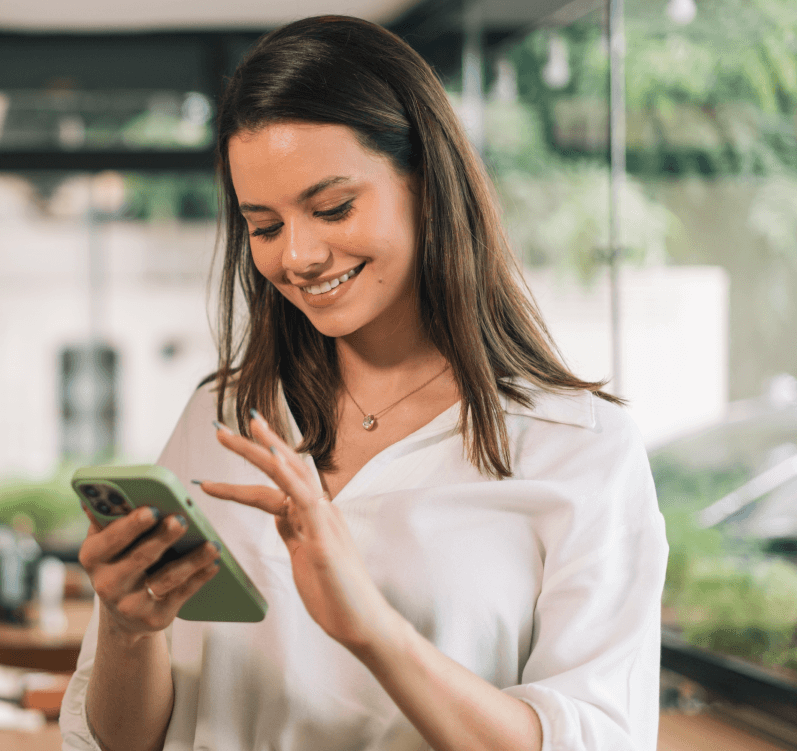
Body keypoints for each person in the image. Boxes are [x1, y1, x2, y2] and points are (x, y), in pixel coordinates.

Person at [60, 15, 668, 751]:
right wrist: (128, 630)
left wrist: (372, 628)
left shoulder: (579, 448)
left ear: (427, 184)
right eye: (264, 226)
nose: (298, 256)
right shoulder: (222, 417)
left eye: (332, 208)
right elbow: (117, 742)